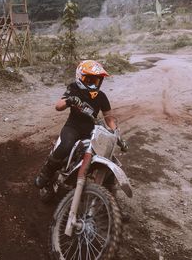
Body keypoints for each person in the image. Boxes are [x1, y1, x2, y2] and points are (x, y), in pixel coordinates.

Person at [35, 60, 128, 189]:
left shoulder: (101, 96)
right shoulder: (74, 88)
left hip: (92, 131)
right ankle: (46, 173)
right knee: (66, 146)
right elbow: (58, 106)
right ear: (80, 77)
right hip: (73, 127)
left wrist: (117, 135)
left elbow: (109, 118)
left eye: (96, 81)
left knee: (106, 155)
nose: (93, 84)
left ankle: (106, 192)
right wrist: (69, 100)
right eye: (89, 80)